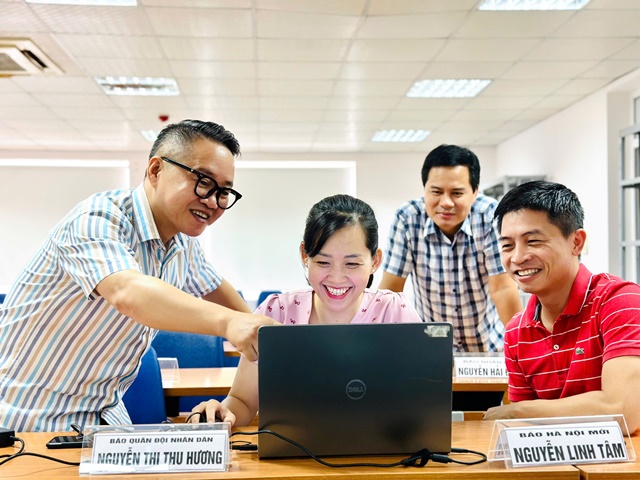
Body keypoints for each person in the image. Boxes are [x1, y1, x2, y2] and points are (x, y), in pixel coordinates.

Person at [0, 119, 278, 432]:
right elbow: (128, 293)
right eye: (204, 182)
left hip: (104, 416)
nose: (213, 201)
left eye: (223, 192)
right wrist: (228, 323)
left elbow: (218, 291)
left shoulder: (183, 244)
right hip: (29, 418)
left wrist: (283, 344)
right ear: (156, 170)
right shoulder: (97, 218)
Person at [191, 194, 422, 427]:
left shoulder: (395, 311)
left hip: (382, 445)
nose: (337, 278)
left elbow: (423, 399)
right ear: (305, 255)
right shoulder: (277, 312)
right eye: (323, 262)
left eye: (352, 264)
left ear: (375, 261)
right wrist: (220, 413)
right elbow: (242, 401)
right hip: (293, 447)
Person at [483, 181, 640, 432]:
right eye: (507, 245)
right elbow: (525, 430)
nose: (518, 257)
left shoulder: (620, 301)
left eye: (533, 241)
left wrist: (519, 410)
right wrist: (522, 414)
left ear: (576, 242)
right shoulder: (516, 332)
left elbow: (623, 411)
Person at [379, 144, 522, 353]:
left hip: (487, 347)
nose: (446, 203)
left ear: (474, 192)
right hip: (431, 347)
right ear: (425, 190)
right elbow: (391, 291)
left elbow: (503, 289)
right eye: (436, 192)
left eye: (456, 193)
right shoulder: (408, 218)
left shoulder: (490, 215)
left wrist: (523, 347)